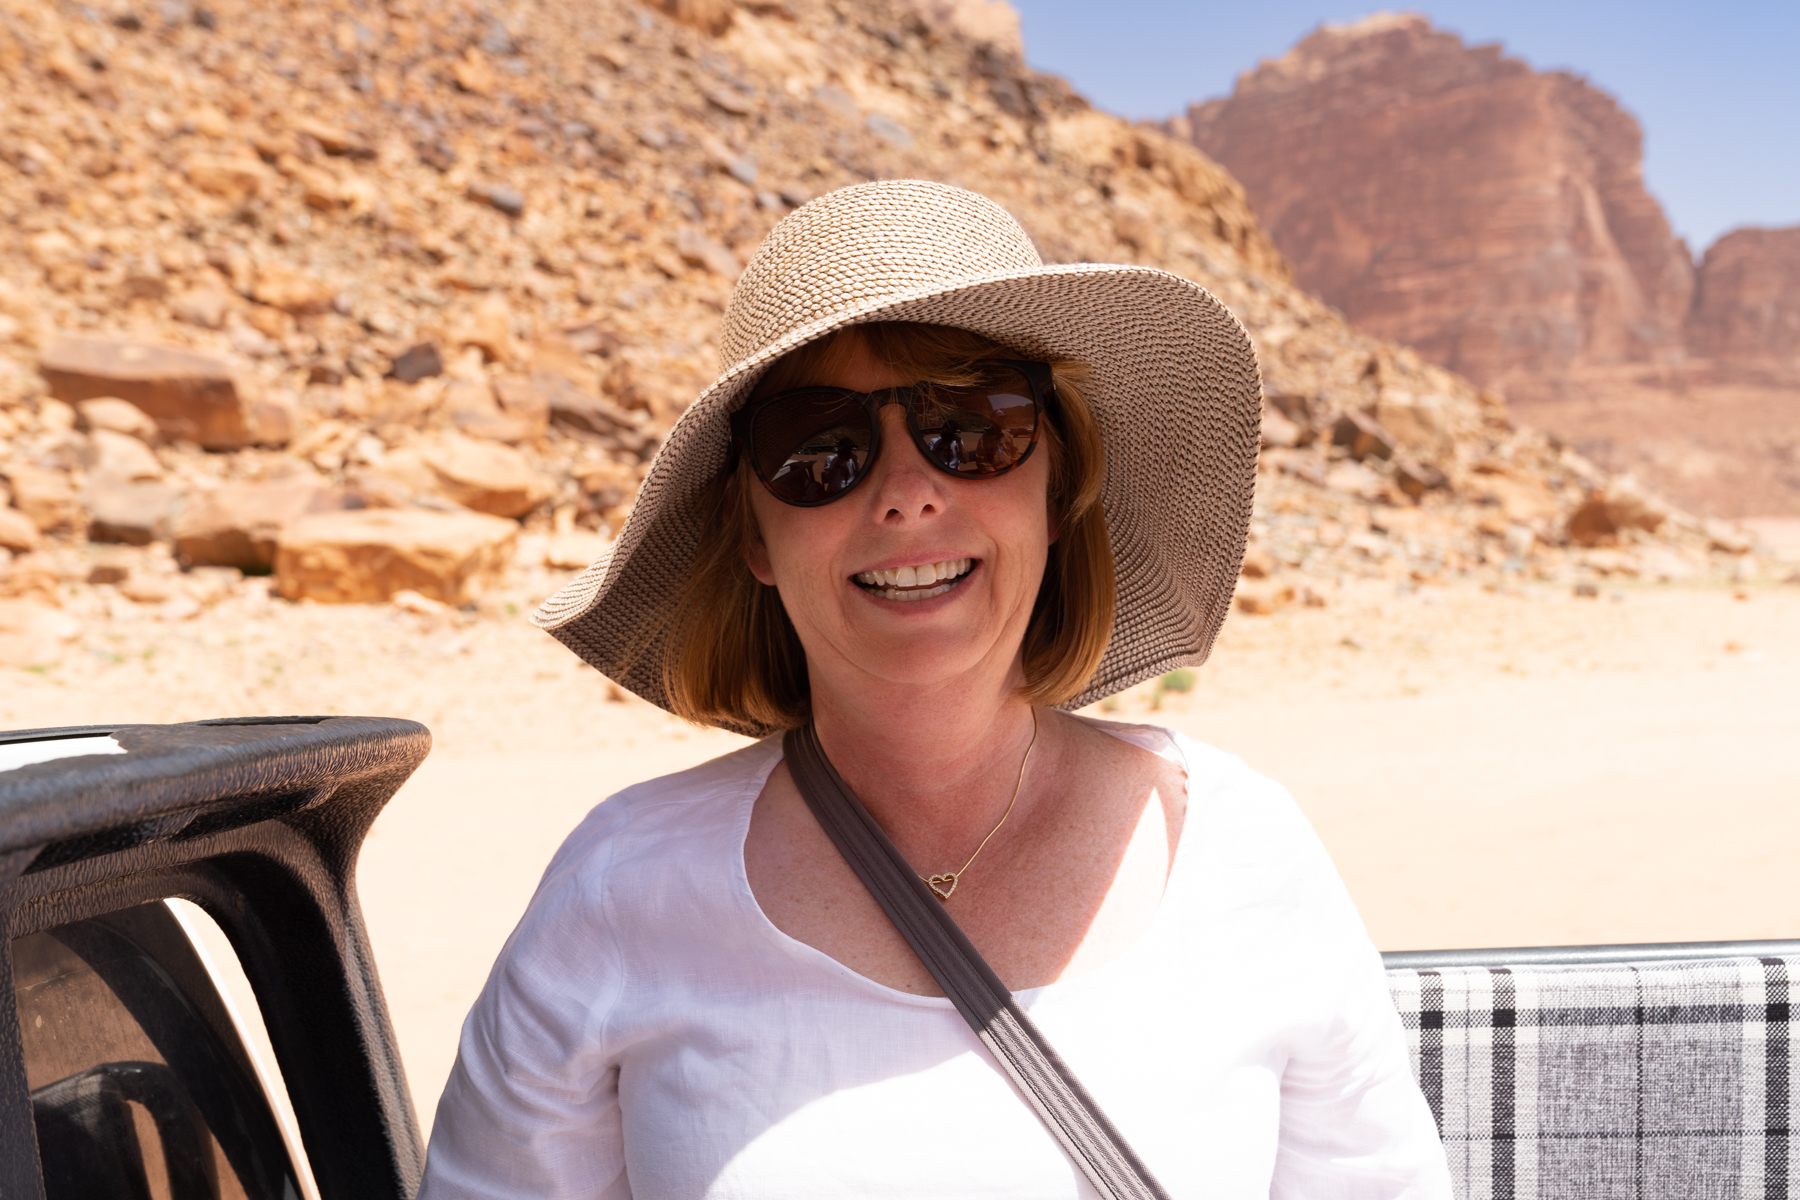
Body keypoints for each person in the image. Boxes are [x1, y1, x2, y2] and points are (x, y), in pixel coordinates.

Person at [418, 180, 1452, 1199]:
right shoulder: (619, 892)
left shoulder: (1244, 852)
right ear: (751, 532)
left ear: (1057, 487)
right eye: (820, 450)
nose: (908, 493)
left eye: (974, 426)